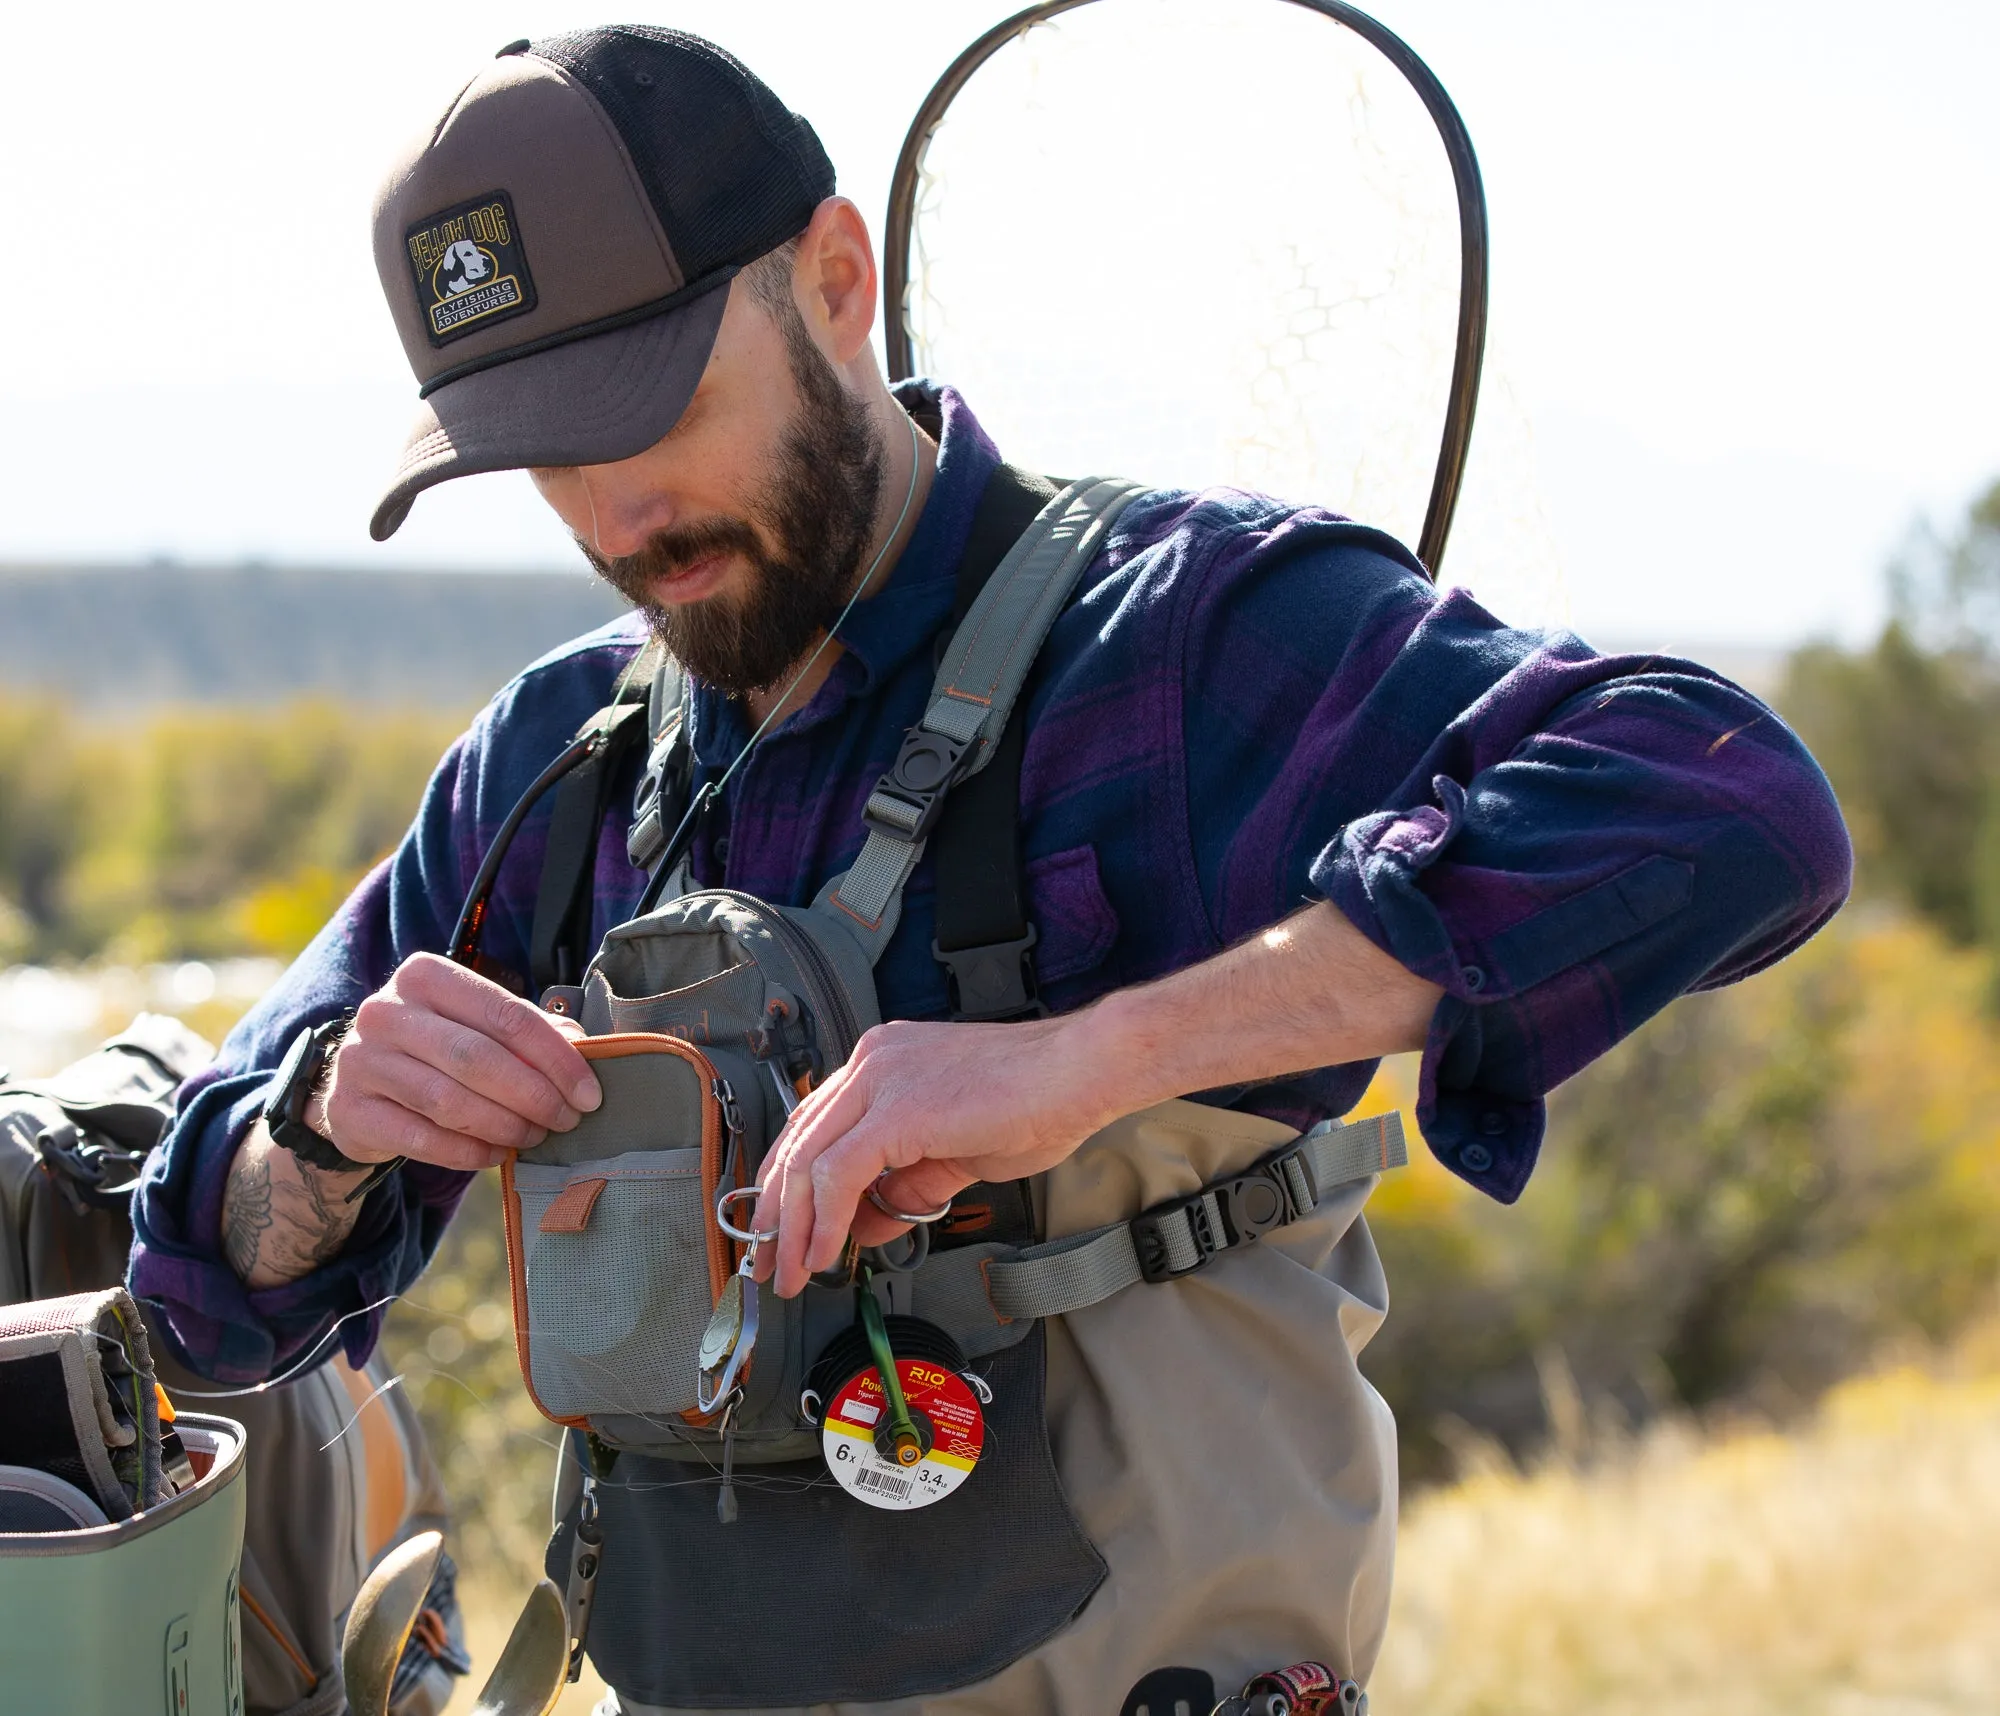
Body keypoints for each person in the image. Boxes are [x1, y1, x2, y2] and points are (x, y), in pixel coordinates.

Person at [132, 23, 1851, 1714]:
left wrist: (1091, 1062)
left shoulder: (1177, 639)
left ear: (833, 277)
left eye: (649, 404)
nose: (615, 512)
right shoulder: (561, 766)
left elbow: (1729, 806)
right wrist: (326, 1137)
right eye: (538, 451)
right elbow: (200, 1297)